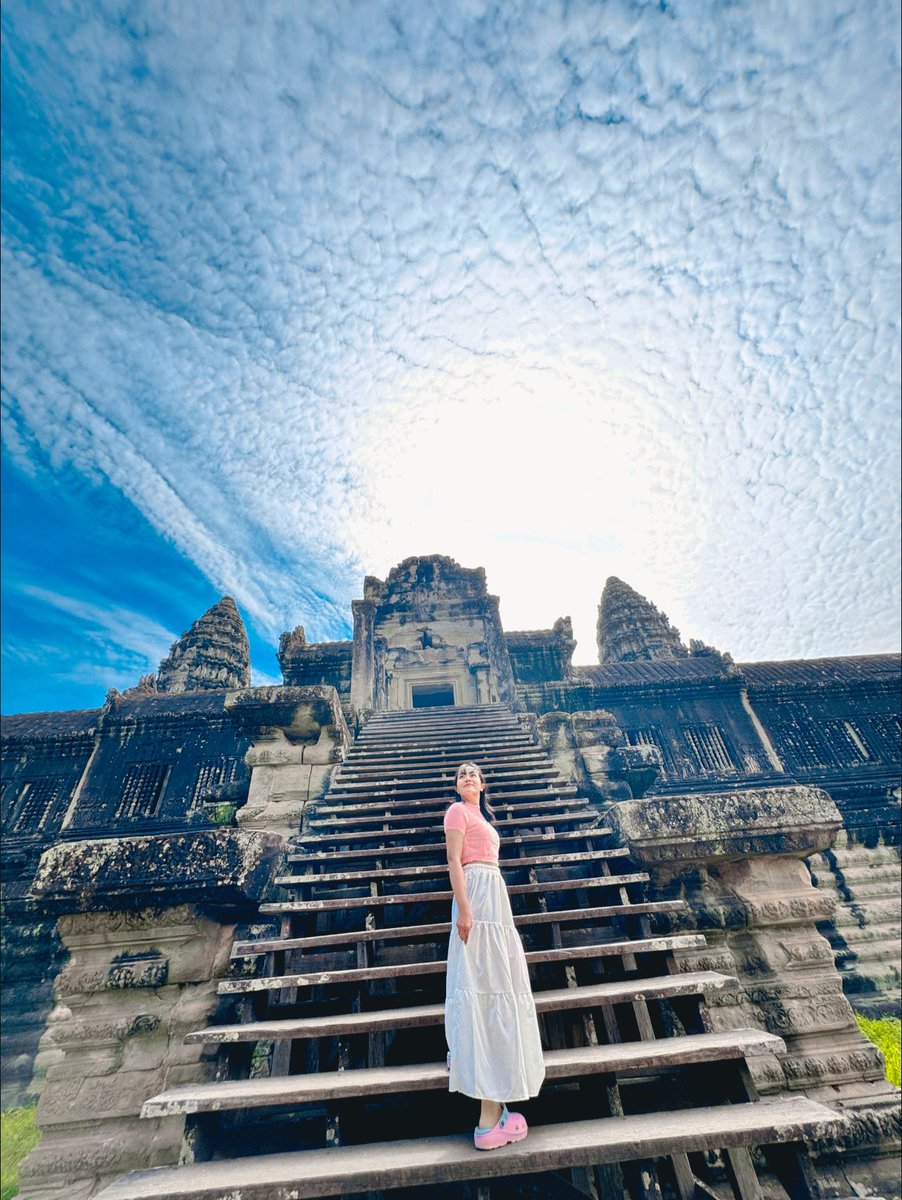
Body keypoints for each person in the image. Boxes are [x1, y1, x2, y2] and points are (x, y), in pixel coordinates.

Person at [443, 761, 546, 1150]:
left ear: (483, 784)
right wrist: (465, 910)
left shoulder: (481, 817)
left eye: (472, 773)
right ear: (457, 787)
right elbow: (454, 860)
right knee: (481, 981)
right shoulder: (456, 811)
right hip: (475, 893)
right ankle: (488, 1121)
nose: (466, 777)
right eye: (460, 774)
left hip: (493, 895)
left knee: (495, 982)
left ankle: (493, 1106)